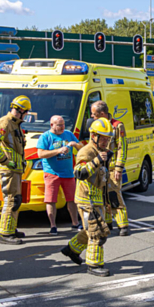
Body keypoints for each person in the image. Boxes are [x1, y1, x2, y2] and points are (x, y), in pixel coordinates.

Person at [61, 118, 116, 277]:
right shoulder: (87, 152)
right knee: (96, 232)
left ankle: (71, 249)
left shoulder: (101, 152)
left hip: (97, 200)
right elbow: (79, 173)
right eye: (103, 138)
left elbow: (103, 180)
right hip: (86, 201)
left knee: (93, 229)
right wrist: (97, 161)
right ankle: (94, 265)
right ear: (94, 136)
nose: (106, 142)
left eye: (108, 139)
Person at [87, 100, 129, 236]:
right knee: (102, 197)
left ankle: (123, 225)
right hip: (99, 167)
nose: (92, 117)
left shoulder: (117, 126)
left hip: (111, 168)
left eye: (94, 114)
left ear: (103, 113)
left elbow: (122, 148)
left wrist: (118, 168)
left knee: (114, 195)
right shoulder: (95, 126)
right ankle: (108, 222)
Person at [0, 95, 30, 245]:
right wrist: (5, 161)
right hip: (8, 169)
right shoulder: (5, 122)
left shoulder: (15, 124)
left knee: (16, 199)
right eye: (25, 112)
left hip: (15, 169)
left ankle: (11, 227)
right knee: (11, 200)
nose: (25, 115)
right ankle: (5, 233)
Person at [37, 115, 82, 234]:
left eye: (63, 124)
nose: (62, 127)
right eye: (59, 125)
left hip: (68, 173)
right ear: (52, 125)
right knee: (51, 200)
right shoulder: (45, 136)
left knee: (72, 199)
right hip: (52, 173)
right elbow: (40, 154)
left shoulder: (68, 134)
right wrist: (58, 150)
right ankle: (53, 226)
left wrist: (75, 145)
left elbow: (81, 148)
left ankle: (75, 223)